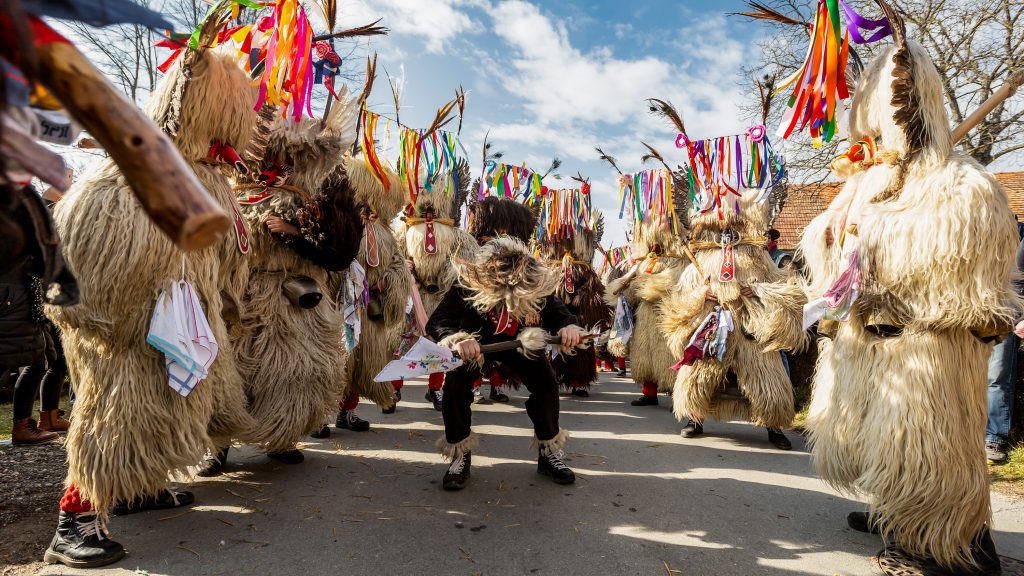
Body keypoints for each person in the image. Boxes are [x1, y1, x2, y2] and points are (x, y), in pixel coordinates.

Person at [426, 197, 581, 490]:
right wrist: (458, 340)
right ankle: (459, 454)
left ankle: (549, 453)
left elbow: (560, 314)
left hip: (520, 346)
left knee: (547, 384)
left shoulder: (534, 278)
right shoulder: (468, 282)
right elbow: (437, 322)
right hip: (476, 346)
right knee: (456, 386)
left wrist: (569, 327)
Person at [986, 222, 1024, 464]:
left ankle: (994, 438)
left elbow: (1020, 281)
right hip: (977, 315)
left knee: (997, 376)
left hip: (1007, 315)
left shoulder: (1017, 235)